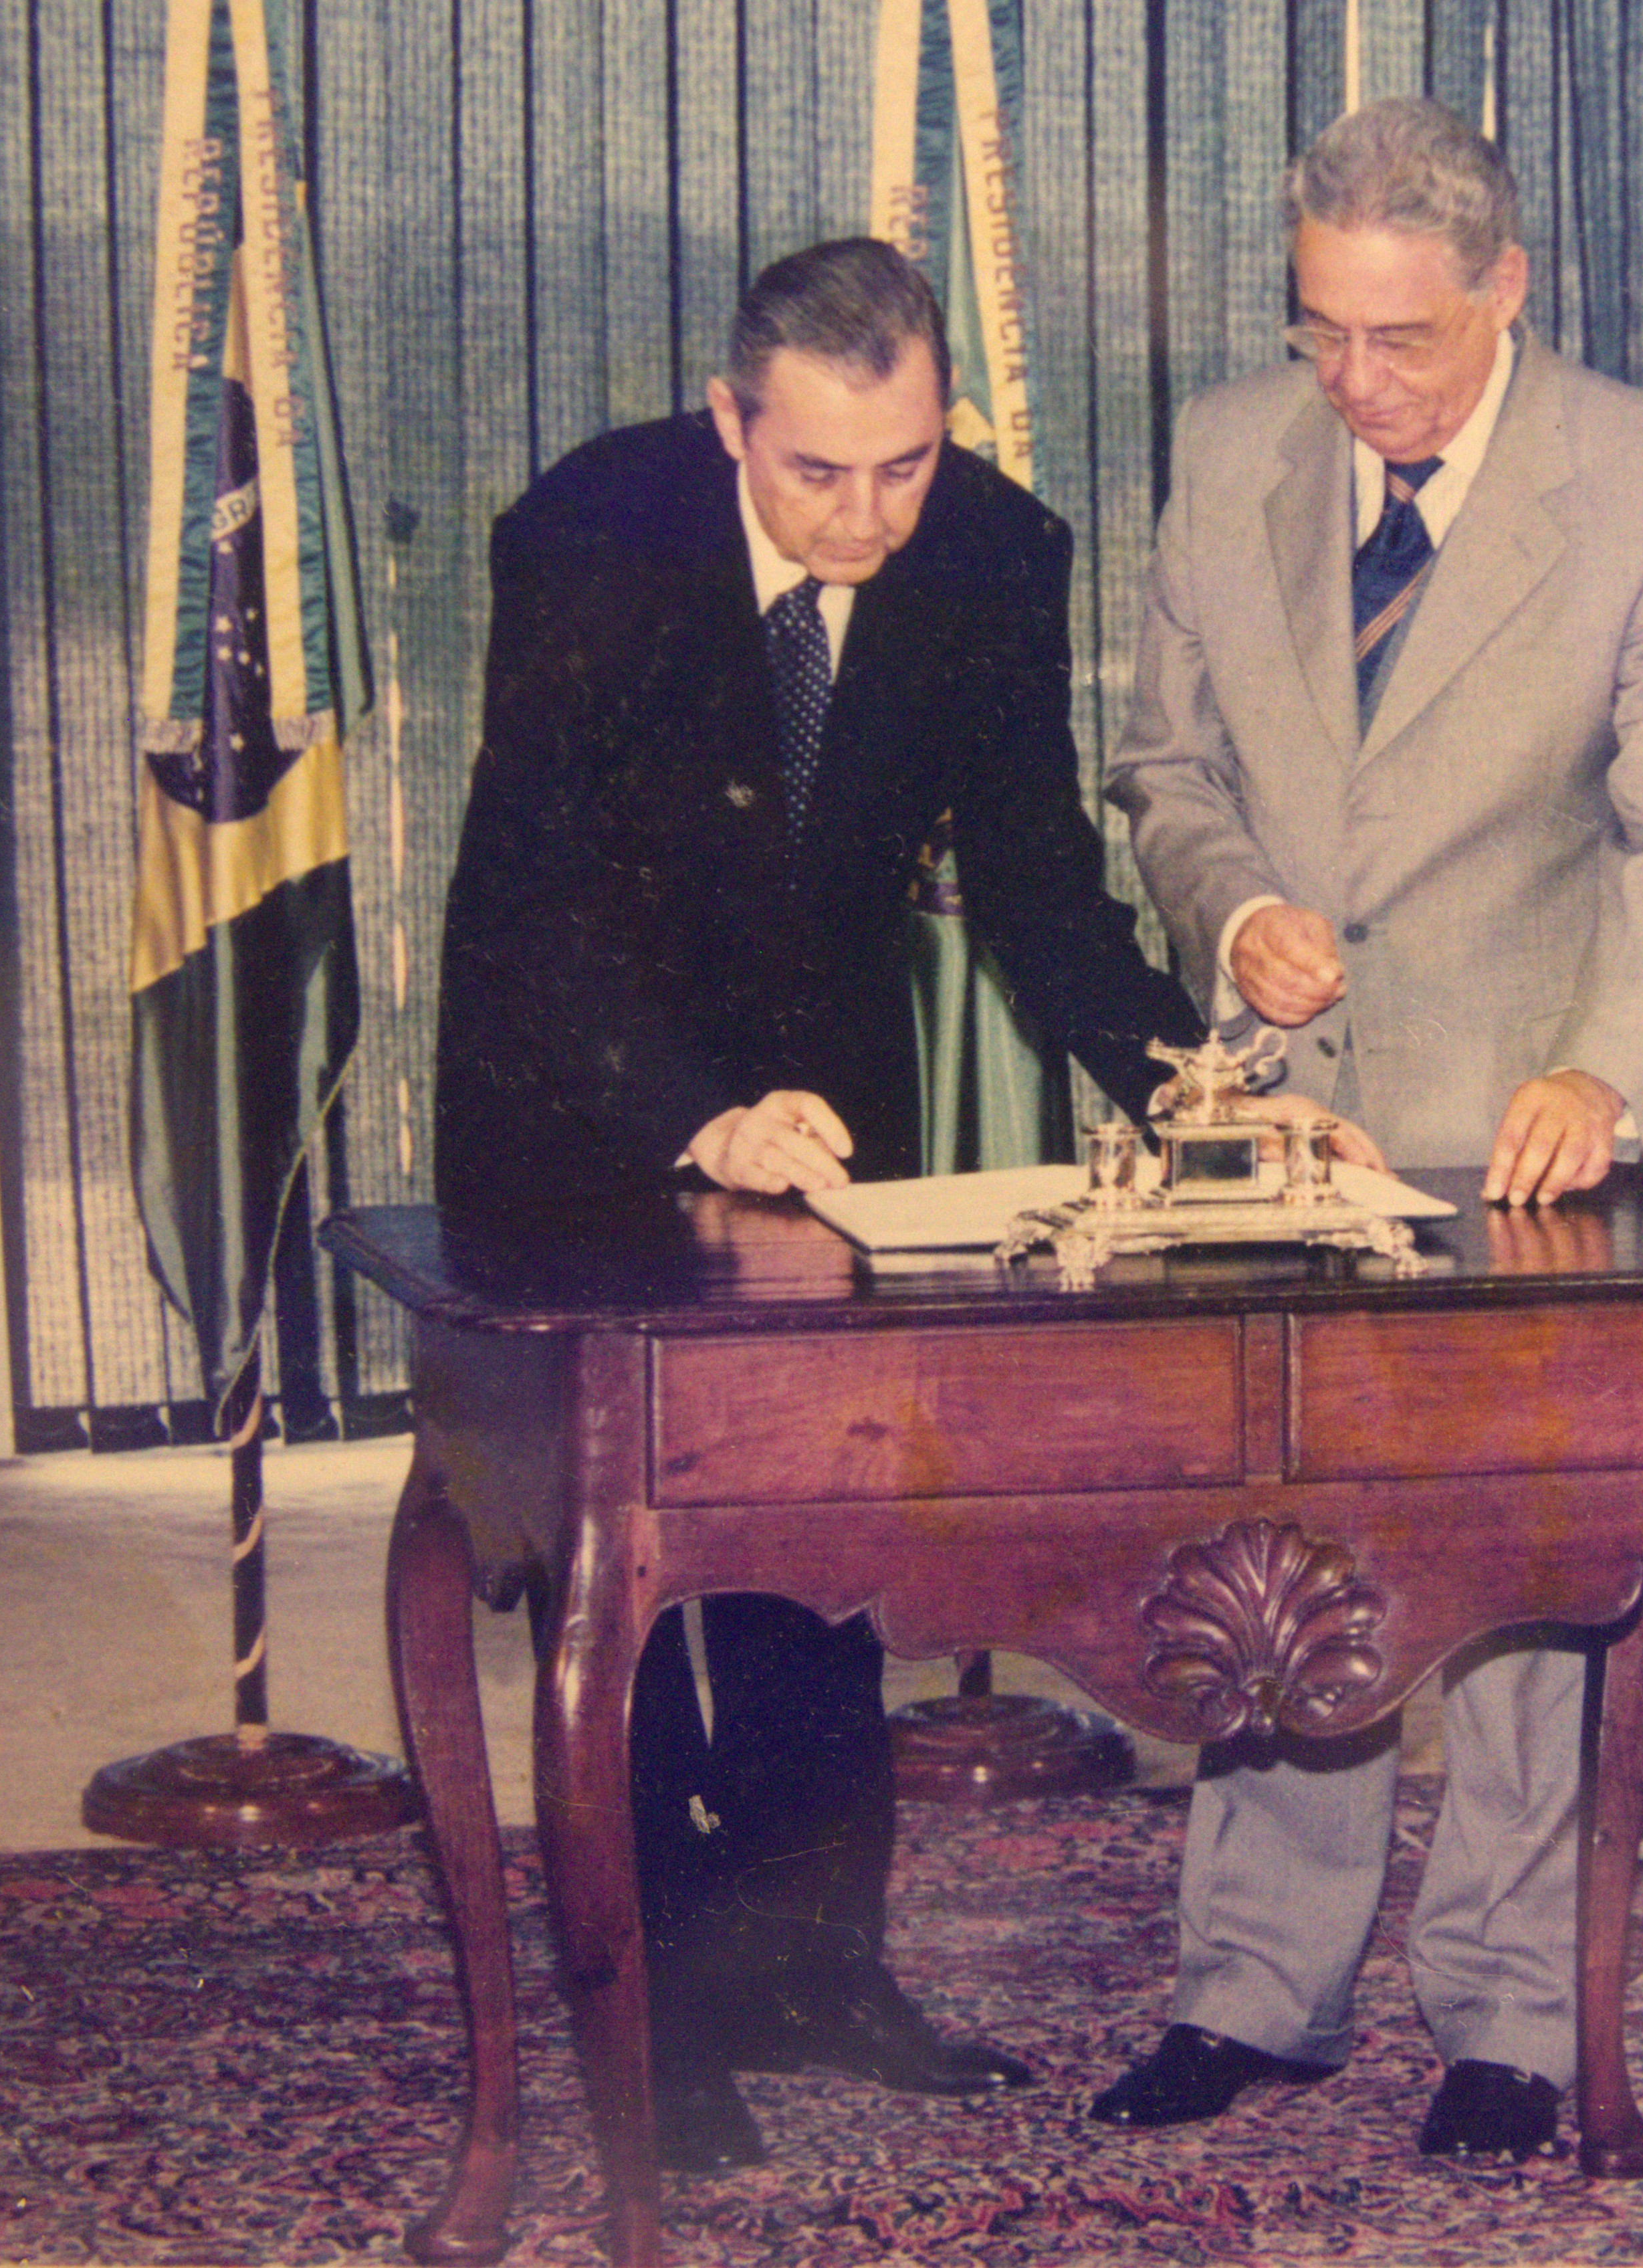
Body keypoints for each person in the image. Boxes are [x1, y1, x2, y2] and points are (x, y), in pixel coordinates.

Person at [431, 238, 1210, 2170]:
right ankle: (658, 2013)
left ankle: (822, 1966)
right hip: (579, 1099)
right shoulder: (593, 533)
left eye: (907, 466)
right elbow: (528, 902)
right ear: (731, 422)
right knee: (626, 1576)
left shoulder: (994, 551)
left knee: (817, 1551)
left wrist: (1190, 1097)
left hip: (819, 1103)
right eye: (816, 476)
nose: (868, 519)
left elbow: (1038, 880)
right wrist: (693, 1120)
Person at [1097, 97, 1643, 2160]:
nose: (1353, 385)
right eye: (1318, 330)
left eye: (1402, 340)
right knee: (1275, 1566)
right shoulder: (1229, 455)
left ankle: (1511, 2017)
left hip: (1533, 1123)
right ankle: (1252, 1991)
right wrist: (1234, 904)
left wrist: (1604, 1063)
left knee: (1527, 1596)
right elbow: (1161, 763)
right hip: (1283, 1136)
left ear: (1507, 290)